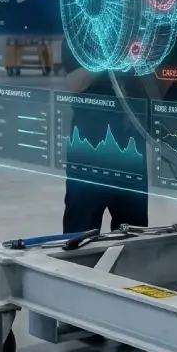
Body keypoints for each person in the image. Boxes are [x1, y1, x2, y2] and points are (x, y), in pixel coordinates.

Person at [61, 67, 149, 233]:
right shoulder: (80, 41)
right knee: (80, 233)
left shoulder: (142, 40)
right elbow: (75, 83)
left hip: (130, 151)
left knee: (133, 236)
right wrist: (110, 59)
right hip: (89, 151)